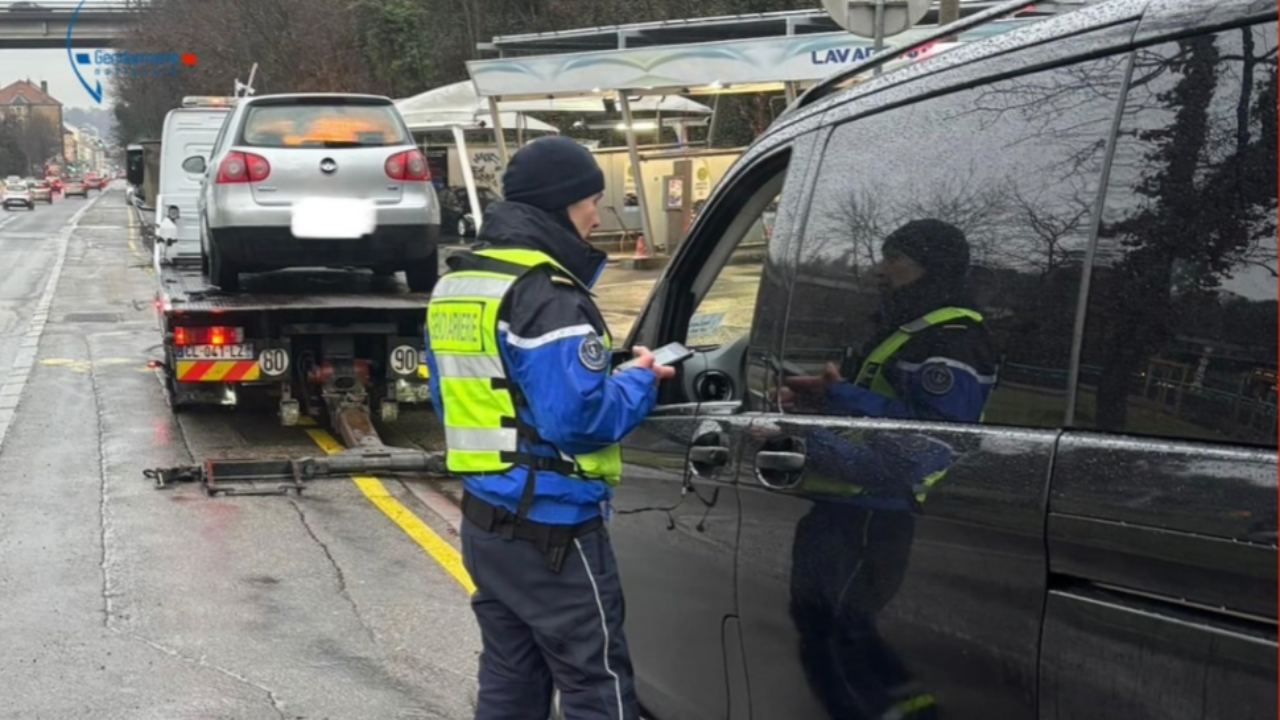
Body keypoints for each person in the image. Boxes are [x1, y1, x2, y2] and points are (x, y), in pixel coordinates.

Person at [423, 136, 676, 720]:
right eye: (592, 201)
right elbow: (580, 422)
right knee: (596, 682)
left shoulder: (459, 283)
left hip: (485, 519)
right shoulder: (548, 293)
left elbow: (457, 398)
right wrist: (640, 380)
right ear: (563, 204)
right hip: (553, 529)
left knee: (510, 675)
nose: (597, 216)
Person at [772, 219, 997, 720]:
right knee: (828, 636)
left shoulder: (952, 338)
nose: (881, 269)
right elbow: (896, 414)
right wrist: (831, 397)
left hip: (874, 518)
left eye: (895, 259)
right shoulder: (914, 327)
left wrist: (804, 439)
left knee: (844, 641)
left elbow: (920, 451)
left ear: (931, 269)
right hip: (849, 511)